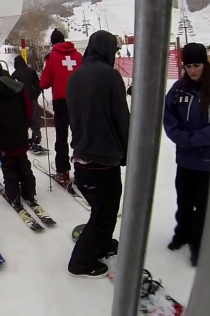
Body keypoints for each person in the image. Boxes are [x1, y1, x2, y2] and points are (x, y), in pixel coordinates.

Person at [66, 30, 129, 278]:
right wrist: (127, 153)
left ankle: (102, 244)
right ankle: (81, 262)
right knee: (104, 212)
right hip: (103, 158)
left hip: (82, 157)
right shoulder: (110, 77)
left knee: (103, 209)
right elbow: (121, 120)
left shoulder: (75, 77)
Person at [163, 43, 210, 267]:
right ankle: (182, 233)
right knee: (184, 200)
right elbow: (169, 116)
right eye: (189, 66)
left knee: (202, 205)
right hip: (185, 158)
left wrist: (196, 138)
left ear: (205, 63)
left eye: (197, 65)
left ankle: (199, 244)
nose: (193, 70)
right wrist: (181, 138)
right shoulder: (179, 88)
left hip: (208, 160)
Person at [0, 70, 37, 209]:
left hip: (3, 135)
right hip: (21, 133)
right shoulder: (20, 88)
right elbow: (29, 111)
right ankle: (29, 192)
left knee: (9, 166)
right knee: (23, 163)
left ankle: (13, 194)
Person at [39, 29, 83, 185]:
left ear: (52, 43)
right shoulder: (78, 56)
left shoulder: (52, 57)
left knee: (62, 138)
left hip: (61, 102)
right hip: (79, 101)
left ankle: (62, 172)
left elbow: (44, 83)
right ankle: (82, 171)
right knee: (80, 136)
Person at [11, 55, 44, 152]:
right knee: (34, 118)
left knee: (22, 119)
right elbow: (38, 84)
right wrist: (36, 95)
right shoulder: (31, 71)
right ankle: (36, 136)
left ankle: (23, 139)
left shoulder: (14, 74)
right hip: (32, 98)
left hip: (21, 101)